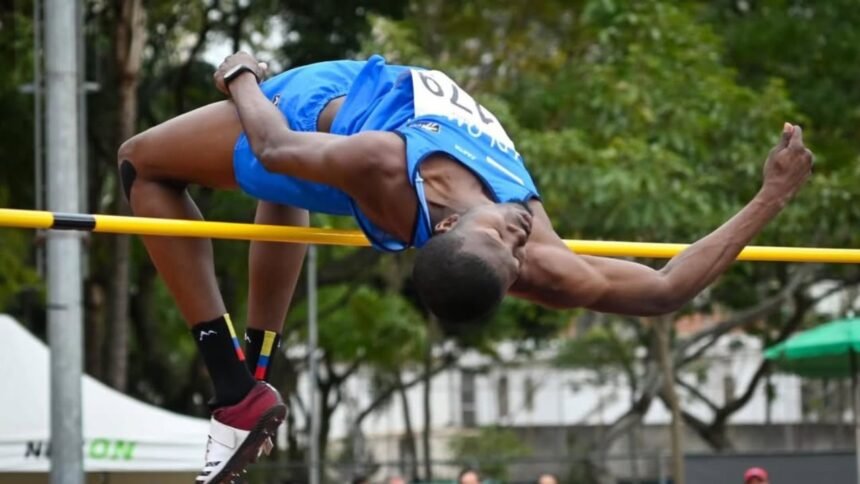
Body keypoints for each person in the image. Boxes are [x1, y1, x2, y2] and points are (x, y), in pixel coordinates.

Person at [117, 52, 813, 483]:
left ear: (449, 227)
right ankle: (252, 375)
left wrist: (241, 75)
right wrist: (771, 196)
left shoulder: (386, 164)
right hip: (346, 118)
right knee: (278, 185)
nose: (519, 236)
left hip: (319, 113)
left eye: (505, 247)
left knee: (141, 163)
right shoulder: (538, 257)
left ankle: (233, 382)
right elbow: (666, 290)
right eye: (514, 251)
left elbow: (274, 146)